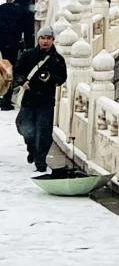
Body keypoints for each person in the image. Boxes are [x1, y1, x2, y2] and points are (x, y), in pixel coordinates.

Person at [14, 25, 67, 174]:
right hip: (29, 98)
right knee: (24, 127)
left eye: (49, 38)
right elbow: (17, 71)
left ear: (53, 40)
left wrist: (50, 78)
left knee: (43, 133)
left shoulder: (58, 59)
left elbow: (62, 78)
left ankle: (40, 161)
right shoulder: (28, 55)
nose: (45, 41)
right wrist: (22, 81)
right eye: (43, 38)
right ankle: (31, 147)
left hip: (46, 100)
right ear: (38, 39)